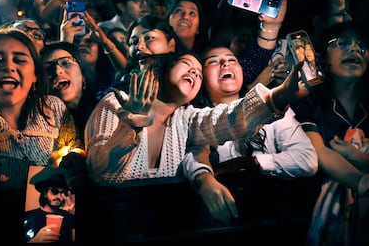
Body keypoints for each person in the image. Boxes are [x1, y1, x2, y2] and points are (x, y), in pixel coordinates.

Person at [84, 31, 308, 185]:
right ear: (164, 69)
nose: (194, 72)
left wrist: (281, 94)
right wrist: (128, 127)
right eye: (187, 65)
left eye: (199, 74)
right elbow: (98, 171)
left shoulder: (187, 119)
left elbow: (232, 119)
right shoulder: (115, 103)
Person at [0, 27, 80, 243]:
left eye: (19, 59)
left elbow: (73, 146)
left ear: (34, 75)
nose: (8, 66)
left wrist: (75, 158)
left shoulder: (54, 109)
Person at [182, 46, 318, 224]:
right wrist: (204, 178)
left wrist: (251, 163)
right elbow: (193, 156)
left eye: (232, 60)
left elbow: (307, 160)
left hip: (269, 219)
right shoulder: (195, 119)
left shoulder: (275, 111)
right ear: (201, 77)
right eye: (213, 61)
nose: (225, 64)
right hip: (219, 222)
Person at [290, 22, 369, 245]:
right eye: (343, 43)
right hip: (313, 211)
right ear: (323, 57)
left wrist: (354, 156)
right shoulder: (307, 102)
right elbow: (319, 152)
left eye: (363, 46)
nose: (355, 49)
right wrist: (363, 183)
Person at [24, 166, 75, 243]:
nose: (59, 196)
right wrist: (34, 241)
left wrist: (74, 216)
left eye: (62, 193)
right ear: (45, 193)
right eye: (54, 191)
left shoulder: (68, 215)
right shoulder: (28, 215)